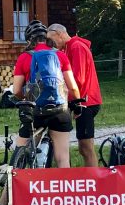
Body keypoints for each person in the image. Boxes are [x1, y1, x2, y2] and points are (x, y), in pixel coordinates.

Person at [11, 20, 82, 171]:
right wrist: (77, 106)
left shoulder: (24, 57)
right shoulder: (60, 56)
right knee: (63, 159)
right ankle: (66, 193)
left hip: (35, 111)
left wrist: (25, 99)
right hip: (59, 110)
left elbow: (16, 90)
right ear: (47, 37)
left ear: (29, 40)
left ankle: (8, 195)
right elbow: (74, 88)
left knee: (18, 158)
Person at [46, 23, 102, 169]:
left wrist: (61, 91)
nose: (51, 44)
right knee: (77, 145)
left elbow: (78, 79)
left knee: (85, 147)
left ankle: (94, 180)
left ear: (59, 33)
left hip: (85, 102)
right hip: (77, 100)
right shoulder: (67, 48)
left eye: (51, 40)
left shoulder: (76, 47)